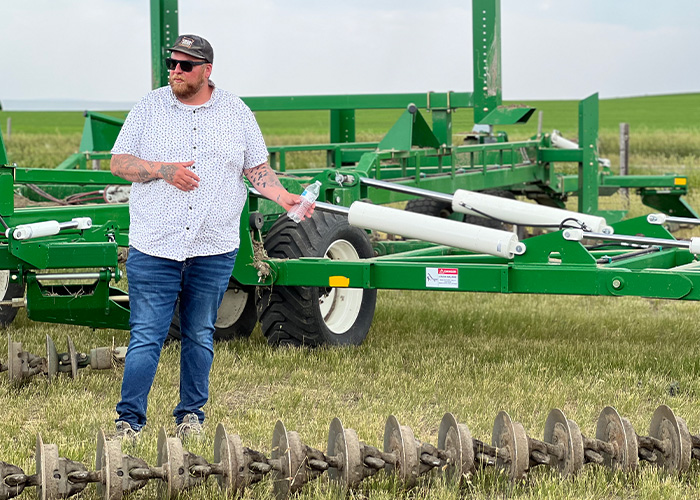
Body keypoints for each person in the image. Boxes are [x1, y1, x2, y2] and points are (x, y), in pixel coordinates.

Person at [110, 34, 312, 440]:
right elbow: (119, 163)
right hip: (155, 245)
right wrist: (163, 170)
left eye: (185, 65)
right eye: (172, 63)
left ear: (207, 70)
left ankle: (191, 416)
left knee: (200, 334)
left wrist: (283, 195)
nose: (176, 71)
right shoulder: (149, 108)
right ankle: (129, 421)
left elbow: (256, 170)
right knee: (147, 336)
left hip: (213, 247)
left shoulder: (236, 112)